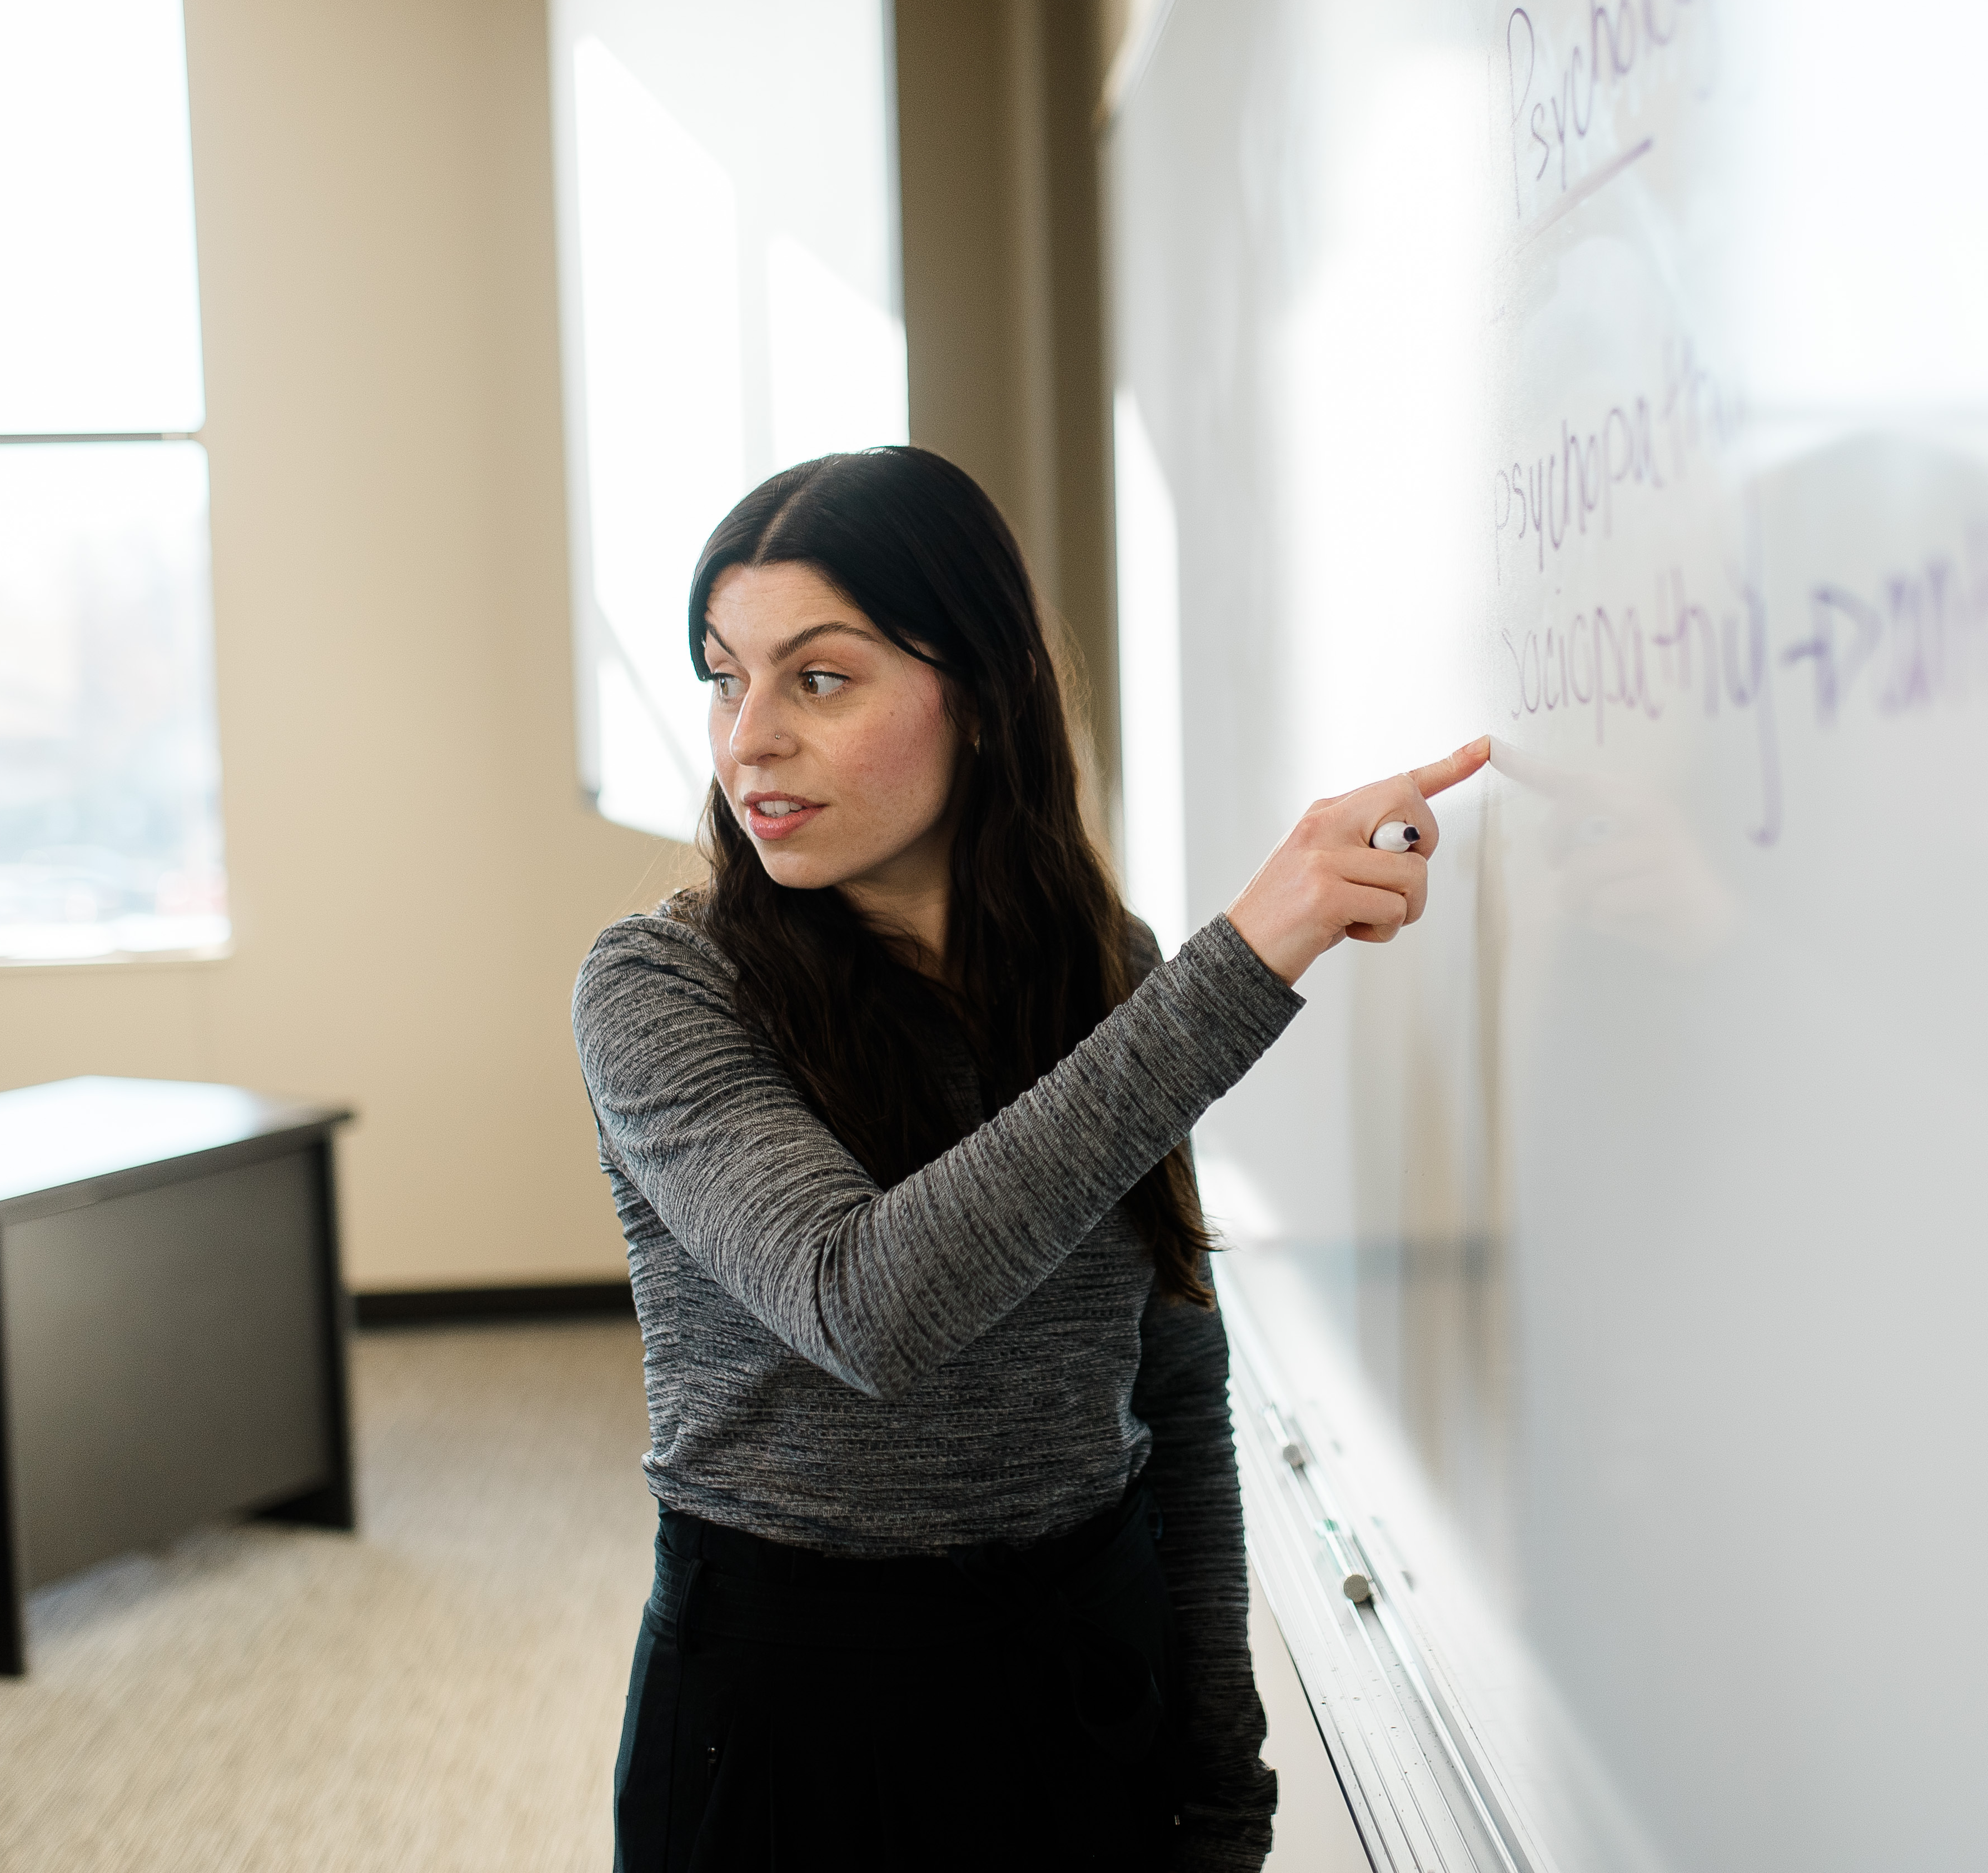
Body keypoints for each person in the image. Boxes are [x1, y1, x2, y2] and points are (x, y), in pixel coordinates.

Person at [574, 444, 1488, 1871]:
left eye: (818, 679)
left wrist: (1221, 1774)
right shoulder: (659, 987)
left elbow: (1173, 1389)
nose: (748, 738)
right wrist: (1242, 964)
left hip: (1085, 1663)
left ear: (983, 699)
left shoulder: (1107, 977)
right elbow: (866, 1308)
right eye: (722, 676)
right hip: (791, 1707)